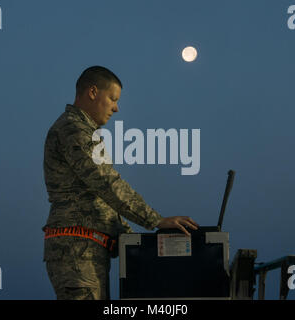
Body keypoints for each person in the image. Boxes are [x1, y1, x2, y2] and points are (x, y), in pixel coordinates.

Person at [42, 66, 199, 300]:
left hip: (86, 251)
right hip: (76, 253)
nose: (116, 108)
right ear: (93, 92)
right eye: (113, 99)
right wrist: (155, 220)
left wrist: (131, 237)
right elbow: (106, 183)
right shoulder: (73, 130)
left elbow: (98, 198)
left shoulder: (83, 131)